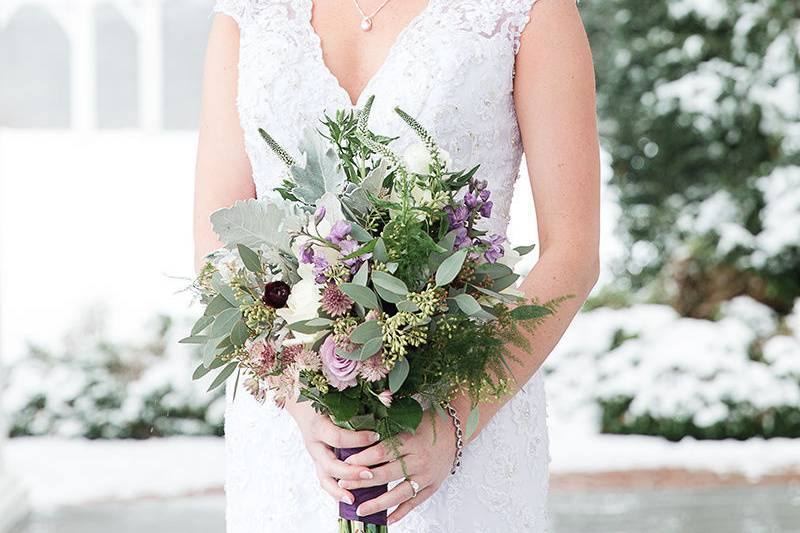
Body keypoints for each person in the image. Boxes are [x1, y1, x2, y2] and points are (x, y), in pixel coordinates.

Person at [194, 0, 600, 530]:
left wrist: (455, 420)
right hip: (294, 439)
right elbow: (218, 243)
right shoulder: (249, 12)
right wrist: (298, 398)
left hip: (465, 413)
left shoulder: (526, 9)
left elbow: (572, 253)